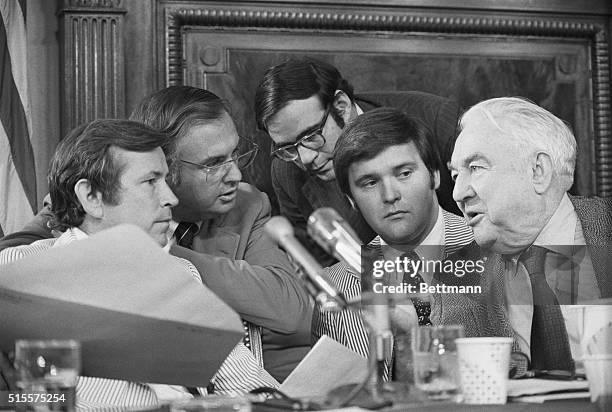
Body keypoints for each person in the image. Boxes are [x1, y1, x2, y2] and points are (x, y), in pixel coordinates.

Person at [0, 87, 312, 382]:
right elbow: (43, 399)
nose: (236, 174)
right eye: (214, 163)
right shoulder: (35, 262)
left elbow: (251, 378)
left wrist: (153, 253)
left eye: (235, 155)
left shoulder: (194, 261)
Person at [438, 97, 612, 376]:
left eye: (476, 168)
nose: (458, 193)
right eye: (456, 174)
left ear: (538, 171)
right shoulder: (454, 280)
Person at [312, 108, 473, 377]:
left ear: (434, 175)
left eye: (404, 173)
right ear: (351, 199)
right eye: (370, 182)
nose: (390, 195)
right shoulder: (336, 287)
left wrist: (417, 336)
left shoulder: (492, 251)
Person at [254, 58, 462, 265]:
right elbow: (319, 266)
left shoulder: (438, 121)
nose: (305, 158)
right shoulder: (286, 171)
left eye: (310, 137)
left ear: (341, 107)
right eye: (288, 147)